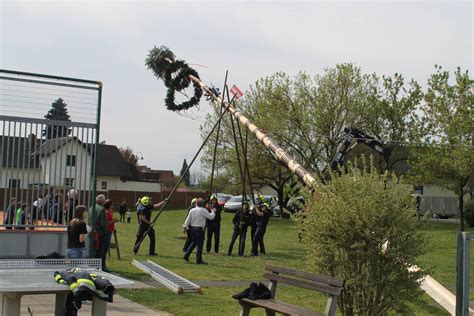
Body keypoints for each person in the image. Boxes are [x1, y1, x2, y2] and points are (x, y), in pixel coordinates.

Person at [183, 198, 216, 264]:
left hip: (192, 228)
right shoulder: (203, 210)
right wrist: (213, 211)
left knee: (193, 243)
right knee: (200, 245)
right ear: (202, 204)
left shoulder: (192, 210)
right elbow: (211, 217)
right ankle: (198, 260)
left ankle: (186, 255)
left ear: (196, 203)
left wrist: (185, 227)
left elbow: (188, 220)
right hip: (199, 229)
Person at [89, 194, 108, 271]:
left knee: (92, 249)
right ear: (103, 201)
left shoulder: (91, 208)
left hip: (91, 231)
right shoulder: (102, 209)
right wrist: (105, 231)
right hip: (100, 232)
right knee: (100, 251)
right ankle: (99, 266)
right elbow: (103, 223)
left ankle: (92, 265)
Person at [102, 199, 116, 272]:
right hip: (107, 232)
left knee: (106, 249)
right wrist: (114, 221)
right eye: (111, 204)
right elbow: (106, 223)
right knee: (105, 249)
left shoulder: (108, 211)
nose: (112, 206)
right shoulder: (106, 212)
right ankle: (103, 265)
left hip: (109, 231)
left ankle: (103, 265)